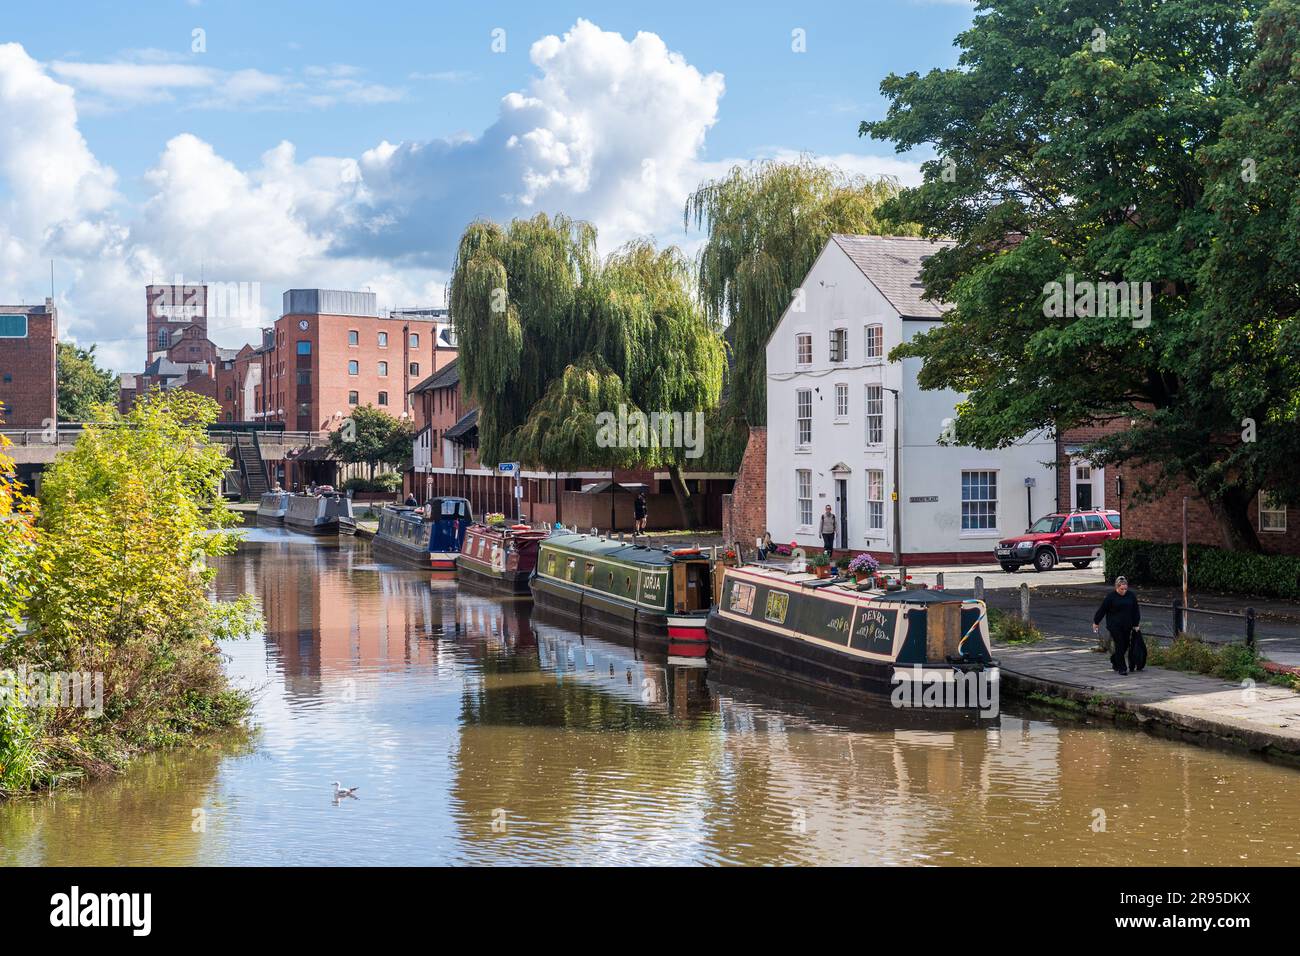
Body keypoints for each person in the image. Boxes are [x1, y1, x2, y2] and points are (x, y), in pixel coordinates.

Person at [1093, 575, 1141, 675]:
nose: (1124, 591)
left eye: (1125, 589)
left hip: (1127, 624)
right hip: (1114, 625)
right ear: (1117, 587)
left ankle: (1115, 659)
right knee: (1119, 644)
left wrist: (1136, 624)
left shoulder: (1131, 595)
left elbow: (1135, 610)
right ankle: (1122, 668)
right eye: (1121, 589)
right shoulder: (1111, 597)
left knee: (1126, 644)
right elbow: (1102, 610)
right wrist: (1096, 622)